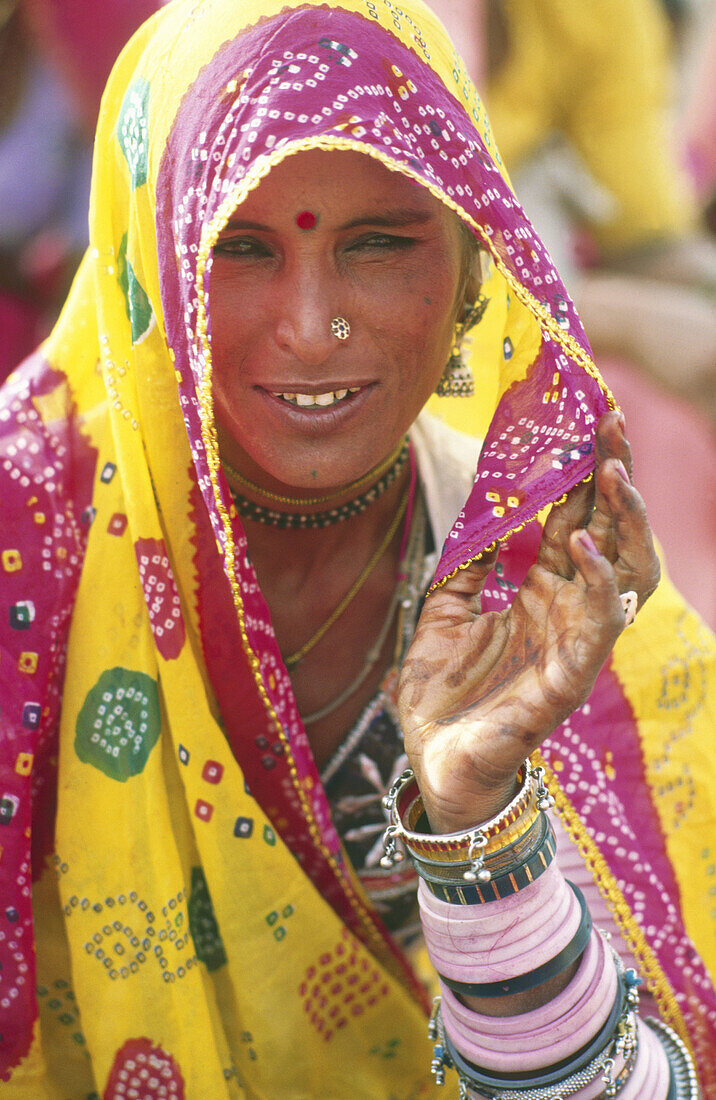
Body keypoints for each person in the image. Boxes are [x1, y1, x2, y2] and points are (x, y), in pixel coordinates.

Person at [0, 0, 714, 1096]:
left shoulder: (549, 576)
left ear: (478, 253)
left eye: (377, 242)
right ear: (146, 259)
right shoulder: (24, 546)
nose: (311, 325)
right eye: (235, 247)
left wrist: (480, 818)